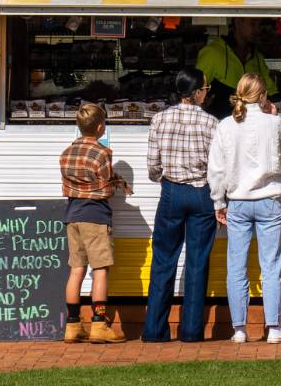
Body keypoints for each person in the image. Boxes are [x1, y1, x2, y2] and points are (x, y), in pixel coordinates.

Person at [207, 73, 281, 343]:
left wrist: (218, 201)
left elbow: (216, 168)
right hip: (268, 201)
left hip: (237, 202)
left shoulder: (225, 125)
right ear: (263, 95)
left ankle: (239, 329)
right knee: (270, 266)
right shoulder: (274, 122)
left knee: (236, 266)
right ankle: (273, 328)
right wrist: (276, 114)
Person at [142, 68, 219, 342]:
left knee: (163, 259)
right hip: (202, 193)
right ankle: (191, 331)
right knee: (198, 262)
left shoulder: (159, 119)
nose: (207, 93)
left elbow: (152, 165)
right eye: (206, 88)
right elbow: (216, 166)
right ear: (197, 92)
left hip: (172, 190)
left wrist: (161, 177)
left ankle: (154, 330)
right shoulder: (211, 123)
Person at [59, 102, 132, 344]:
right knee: (100, 270)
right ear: (100, 127)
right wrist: (116, 184)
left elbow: (71, 185)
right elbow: (103, 190)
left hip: (73, 216)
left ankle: (72, 325)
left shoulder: (66, 153)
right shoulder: (102, 154)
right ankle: (99, 324)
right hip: (96, 216)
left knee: (76, 270)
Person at [196, 18, 277, 119]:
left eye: (259, 25)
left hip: (251, 126)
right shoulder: (213, 52)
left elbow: (271, 91)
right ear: (238, 22)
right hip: (218, 124)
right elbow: (195, 89)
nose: (257, 29)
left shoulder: (257, 57)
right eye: (253, 23)